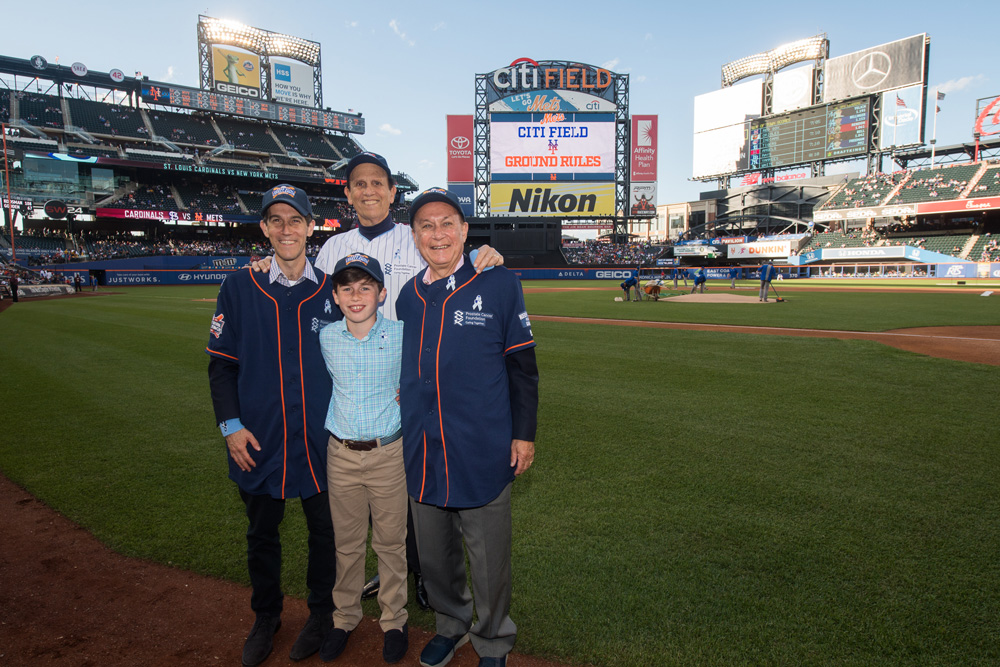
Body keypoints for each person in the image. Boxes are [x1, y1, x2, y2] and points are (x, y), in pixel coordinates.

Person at [254, 152, 504, 608]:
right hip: (358, 385)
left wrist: (486, 254)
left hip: (415, 380)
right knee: (371, 500)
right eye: (359, 184)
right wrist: (262, 265)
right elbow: (306, 292)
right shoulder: (331, 248)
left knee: (415, 492)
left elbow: (456, 265)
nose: (368, 190)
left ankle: (425, 577)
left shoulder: (417, 239)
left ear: (393, 192)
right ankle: (388, 577)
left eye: (378, 183)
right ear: (347, 194)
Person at [397, 187, 539, 667]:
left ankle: (493, 638)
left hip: (482, 447)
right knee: (436, 559)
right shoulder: (407, 296)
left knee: (488, 559)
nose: (437, 233)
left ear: (463, 231)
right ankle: (450, 626)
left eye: (446, 224)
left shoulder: (498, 283)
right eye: (426, 226)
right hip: (423, 449)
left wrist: (524, 434)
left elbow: (522, 368)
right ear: (415, 237)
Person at [206, 184, 338, 667]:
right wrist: (230, 426)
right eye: (276, 220)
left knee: (326, 535)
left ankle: (322, 615)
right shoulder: (239, 287)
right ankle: (266, 616)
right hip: (257, 439)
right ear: (264, 228)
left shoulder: (333, 289)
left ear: (310, 226)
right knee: (262, 534)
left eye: (295, 219)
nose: (286, 228)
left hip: (321, 441)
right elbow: (221, 366)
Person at [317, 252, 409, 664]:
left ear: (381, 292)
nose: (357, 296)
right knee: (348, 544)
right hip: (340, 453)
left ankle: (394, 621)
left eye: (365, 287)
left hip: (388, 452)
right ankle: (345, 617)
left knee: (391, 544)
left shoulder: (404, 333)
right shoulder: (326, 336)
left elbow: (434, 373)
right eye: (348, 288)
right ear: (335, 296)